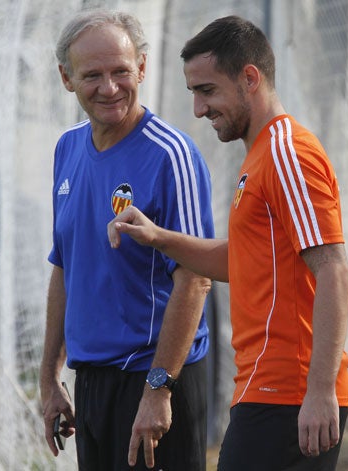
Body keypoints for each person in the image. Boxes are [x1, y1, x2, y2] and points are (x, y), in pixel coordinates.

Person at [108, 15, 348, 471]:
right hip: (268, 389)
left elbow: (334, 269)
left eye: (207, 91)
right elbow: (240, 262)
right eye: (194, 94)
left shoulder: (286, 153)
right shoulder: (260, 155)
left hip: (289, 392)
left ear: (250, 78)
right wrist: (158, 237)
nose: (199, 109)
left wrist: (319, 391)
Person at [39, 9, 215, 471]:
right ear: (66, 78)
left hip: (154, 379)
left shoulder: (171, 154)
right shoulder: (67, 149)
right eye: (92, 75)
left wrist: (159, 390)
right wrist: (48, 379)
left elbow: (196, 280)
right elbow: (65, 266)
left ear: (141, 67)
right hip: (92, 384)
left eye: (121, 71)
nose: (109, 87)